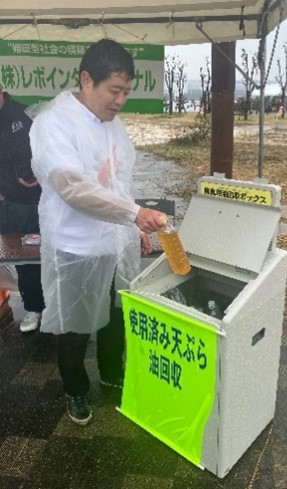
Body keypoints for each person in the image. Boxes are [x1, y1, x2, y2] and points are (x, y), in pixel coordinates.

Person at [29, 39, 167, 426]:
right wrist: (134, 214)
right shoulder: (54, 123)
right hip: (75, 245)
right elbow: (72, 187)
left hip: (114, 241)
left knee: (114, 317)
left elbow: (118, 182)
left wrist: (132, 225)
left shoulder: (111, 124)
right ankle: (75, 389)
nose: (121, 100)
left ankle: (112, 374)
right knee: (74, 326)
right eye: (115, 90)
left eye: (126, 92)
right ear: (87, 79)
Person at [0, 88, 45, 332]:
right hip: (6, 204)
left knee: (36, 256)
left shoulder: (25, 114)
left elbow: (51, 151)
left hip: (34, 202)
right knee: (14, 256)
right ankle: (33, 306)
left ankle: (43, 307)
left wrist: (41, 173)